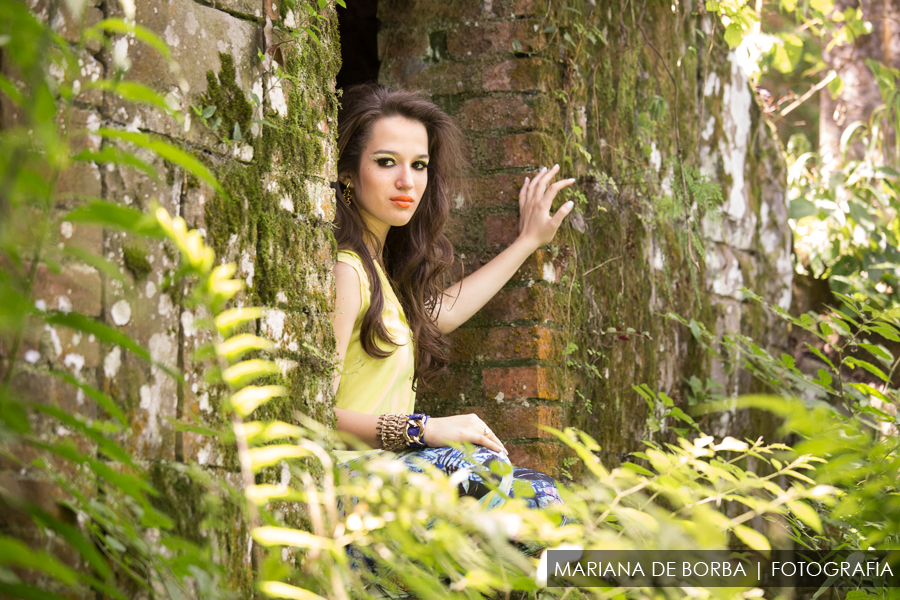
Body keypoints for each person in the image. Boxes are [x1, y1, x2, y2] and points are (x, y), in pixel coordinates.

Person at [329, 83, 575, 523]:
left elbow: (439, 314)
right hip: (343, 485)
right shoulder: (346, 269)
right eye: (386, 162)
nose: (407, 181)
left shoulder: (379, 272)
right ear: (348, 174)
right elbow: (310, 412)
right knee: (493, 485)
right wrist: (423, 429)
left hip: (388, 479)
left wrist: (528, 242)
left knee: (540, 496)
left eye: (419, 165)